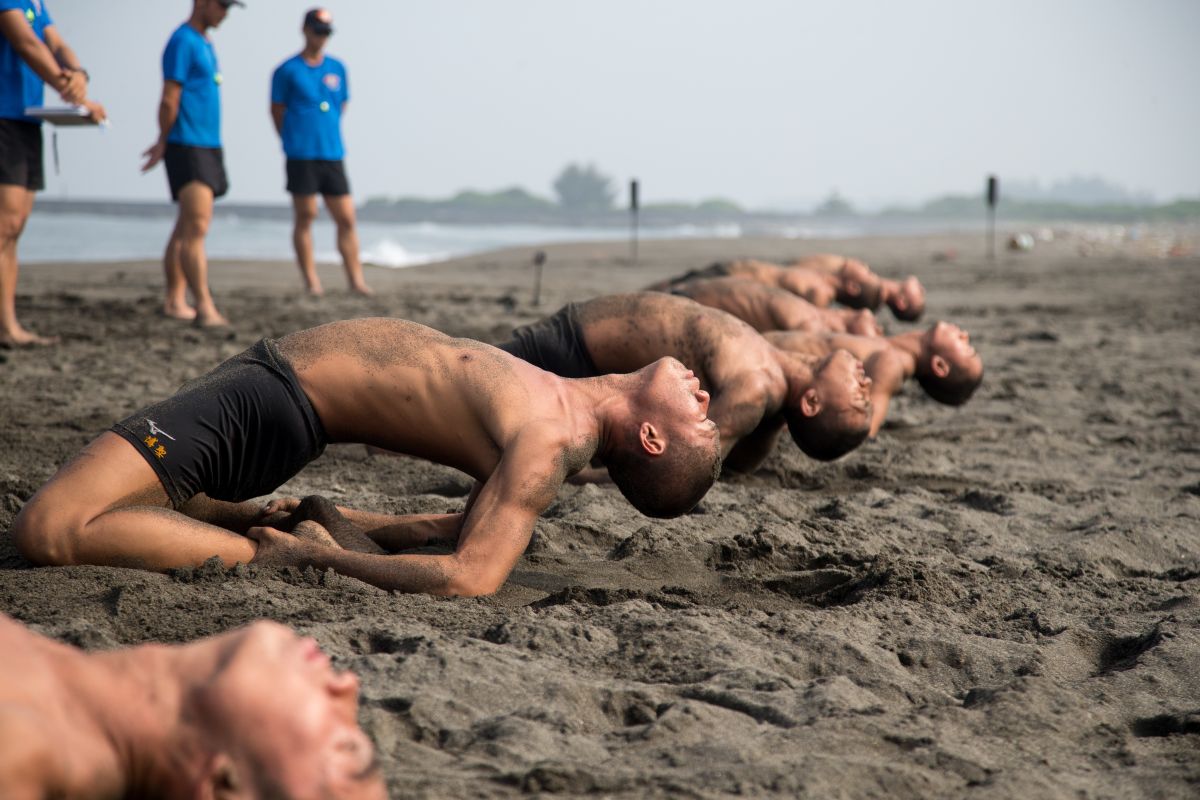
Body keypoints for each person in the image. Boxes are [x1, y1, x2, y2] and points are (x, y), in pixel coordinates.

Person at [13, 317, 721, 596]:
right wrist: (381, 521)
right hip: (266, 388)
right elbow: (466, 523)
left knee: (52, 526)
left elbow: (472, 577)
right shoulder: (561, 405)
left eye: (701, 419)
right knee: (130, 499)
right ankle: (252, 521)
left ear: (652, 439)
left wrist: (312, 559)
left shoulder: (553, 444)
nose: (703, 394)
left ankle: (257, 549)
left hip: (274, 403)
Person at [0, 612, 385, 799]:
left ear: (224, 787)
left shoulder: (22, 748)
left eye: (346, 746)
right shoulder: (52, 700)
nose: (348, 685)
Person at [497, 292, 873, 472]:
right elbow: (744, 457)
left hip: (576, 349)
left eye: (859, 400)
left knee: (470, 372)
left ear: (811, 403)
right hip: (576, 340)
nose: (866, 387)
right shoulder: (772, 394)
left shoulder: (756, 390)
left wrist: (585, 474)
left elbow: (692, 462)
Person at [0, 0, 105, 347]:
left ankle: (8, 324)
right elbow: (26, 43)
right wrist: (71, 91)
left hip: (28, 118)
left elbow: (56, 43)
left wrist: (78, 73)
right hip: (4, 115)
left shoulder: (37, 2)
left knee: (15, 230)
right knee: (5, 226)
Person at [141, 0, 244, 327]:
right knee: (197, 226)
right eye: (222, 5)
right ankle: (204, 306)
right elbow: (169, 97)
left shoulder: (205, 42)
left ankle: (174, 300)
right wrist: (162, 140)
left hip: (209, 144)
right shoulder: (182, 41)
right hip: (187, 143)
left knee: (187, 224)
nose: (225, 13)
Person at [271, 8, 371, 296]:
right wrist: (291, 139)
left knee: (347, 218)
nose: (322, 37)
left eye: (327, 32)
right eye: (318, 30)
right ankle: (312, 283)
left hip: (332, 153)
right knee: (306, 216)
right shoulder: (286, 70)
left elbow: (342, 105)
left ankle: (356, 281)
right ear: (305, 29)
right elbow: (277, 110)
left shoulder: (337, 68)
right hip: (301, 154)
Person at [766, 320, 983, 438]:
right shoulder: (890, 349)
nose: (965, 335)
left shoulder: (892, 364)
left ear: (940, 366)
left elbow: (866, 425)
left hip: (768, 367)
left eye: (967, 347)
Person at [649, 254, 926, 321]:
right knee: (670, 287)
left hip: (737, 282)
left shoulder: (820, 293)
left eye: (865, 272)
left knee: (670, 294)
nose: (860, 264)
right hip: (740, 271)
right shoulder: (829, 280)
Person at [663, 274, 883, 336]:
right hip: (700, 289)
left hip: (686, 304)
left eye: (875, 331)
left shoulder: (808, 325)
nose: (879, 327)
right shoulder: (814, 311)